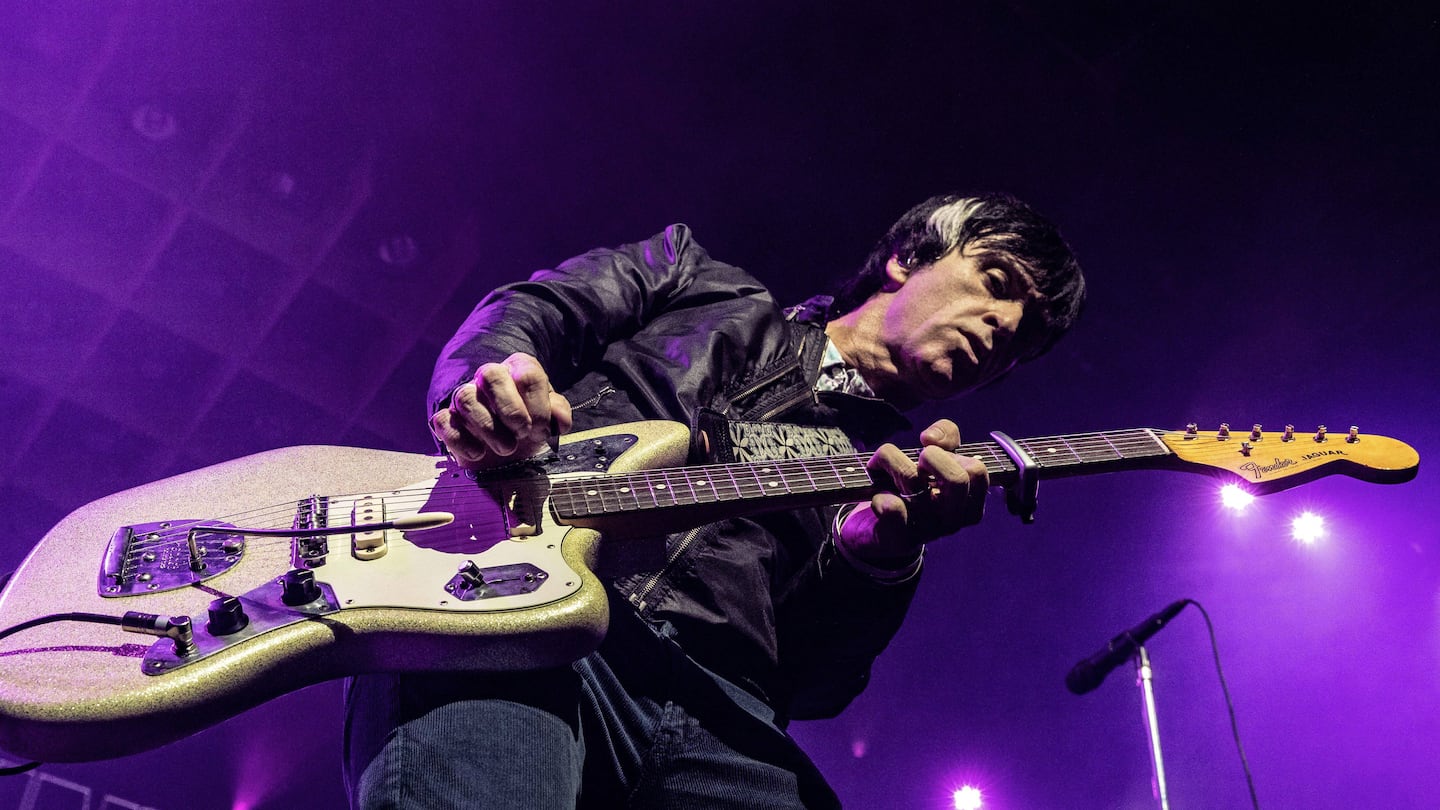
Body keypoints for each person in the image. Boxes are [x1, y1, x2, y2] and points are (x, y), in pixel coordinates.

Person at [344, 193, 1086, 809]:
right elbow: (533, 310)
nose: (1006, 328)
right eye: (996, 281)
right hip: (529, 612)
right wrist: (487, 385)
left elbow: (818, 686)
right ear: (907, 258)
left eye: (1024, 341)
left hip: (727, 717)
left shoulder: (898, 475)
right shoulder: (695, 275)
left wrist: (878, 560)